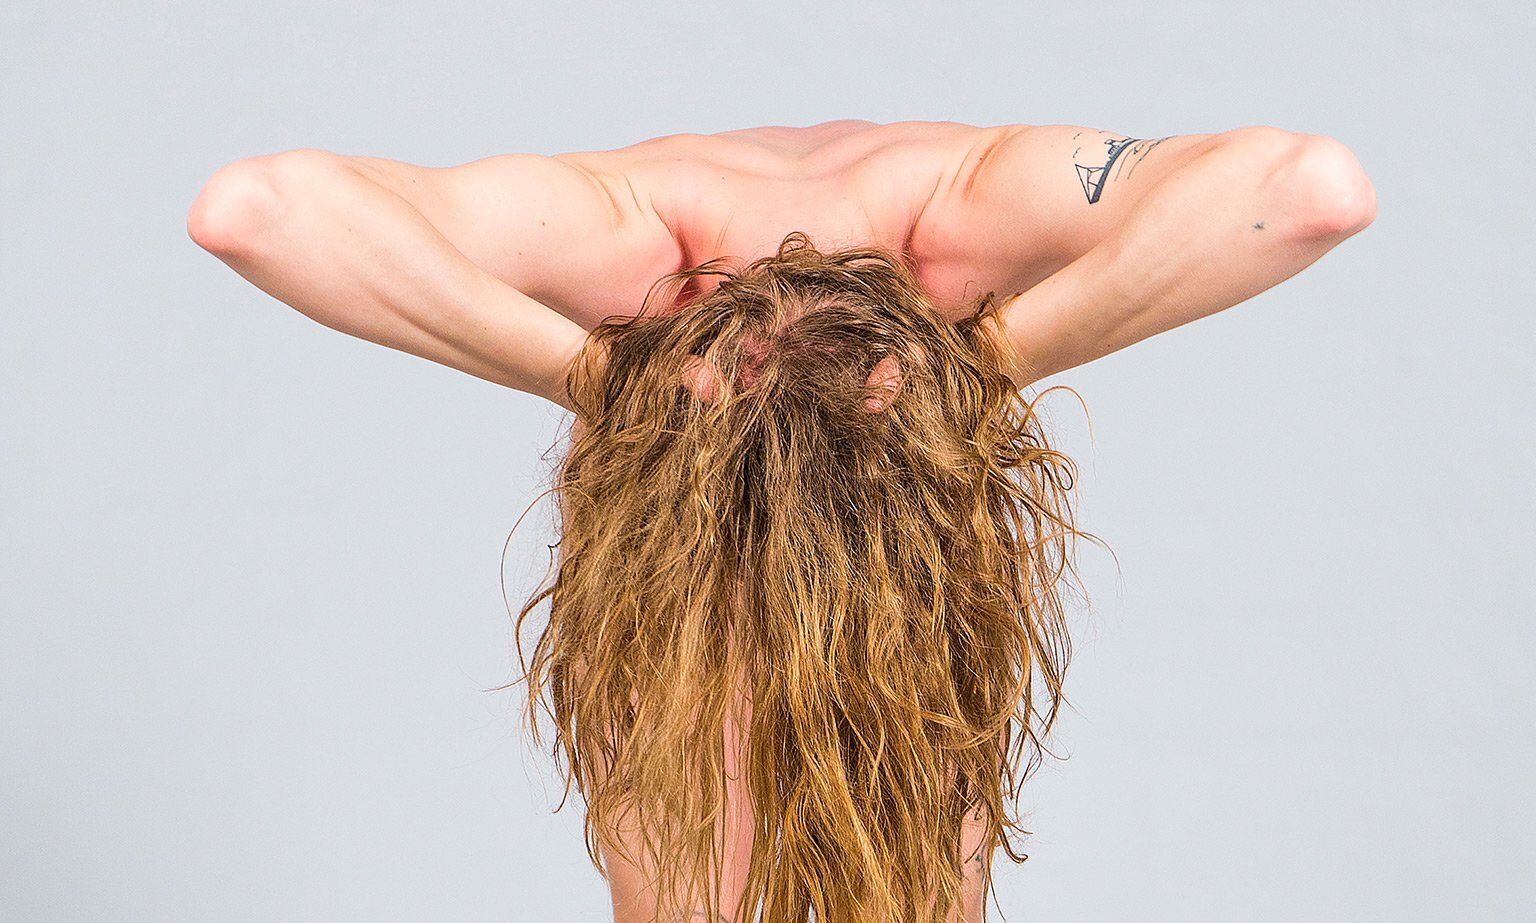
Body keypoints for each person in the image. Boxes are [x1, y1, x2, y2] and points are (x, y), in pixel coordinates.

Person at [187, 119, 1376, 923]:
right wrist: (603, 377)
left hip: (888, 525)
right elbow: (253, 211)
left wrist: (992, 356)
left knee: (898, 865)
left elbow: (1311, 191)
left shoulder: (963, 211)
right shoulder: (624, 233)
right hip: (684, 533)